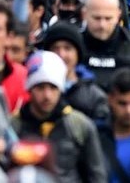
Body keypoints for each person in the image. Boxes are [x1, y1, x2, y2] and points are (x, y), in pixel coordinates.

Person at [12, 50, 107, 182]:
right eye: (40, 87)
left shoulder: (79, 125)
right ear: (29, 88)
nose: (47, 95)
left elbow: (97, 175)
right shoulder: (13, 126)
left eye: (53, 88)